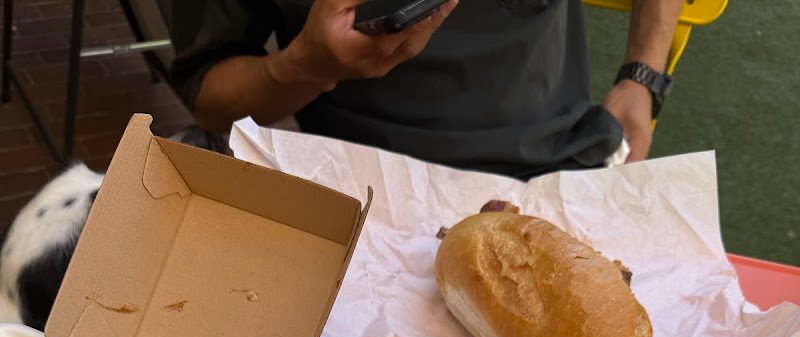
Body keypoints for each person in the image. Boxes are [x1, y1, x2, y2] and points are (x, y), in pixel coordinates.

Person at [171, 1, 683, 179]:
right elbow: (210, 98)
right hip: (358, 192)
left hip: (560, 166)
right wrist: (304, 67)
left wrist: (643, 76)